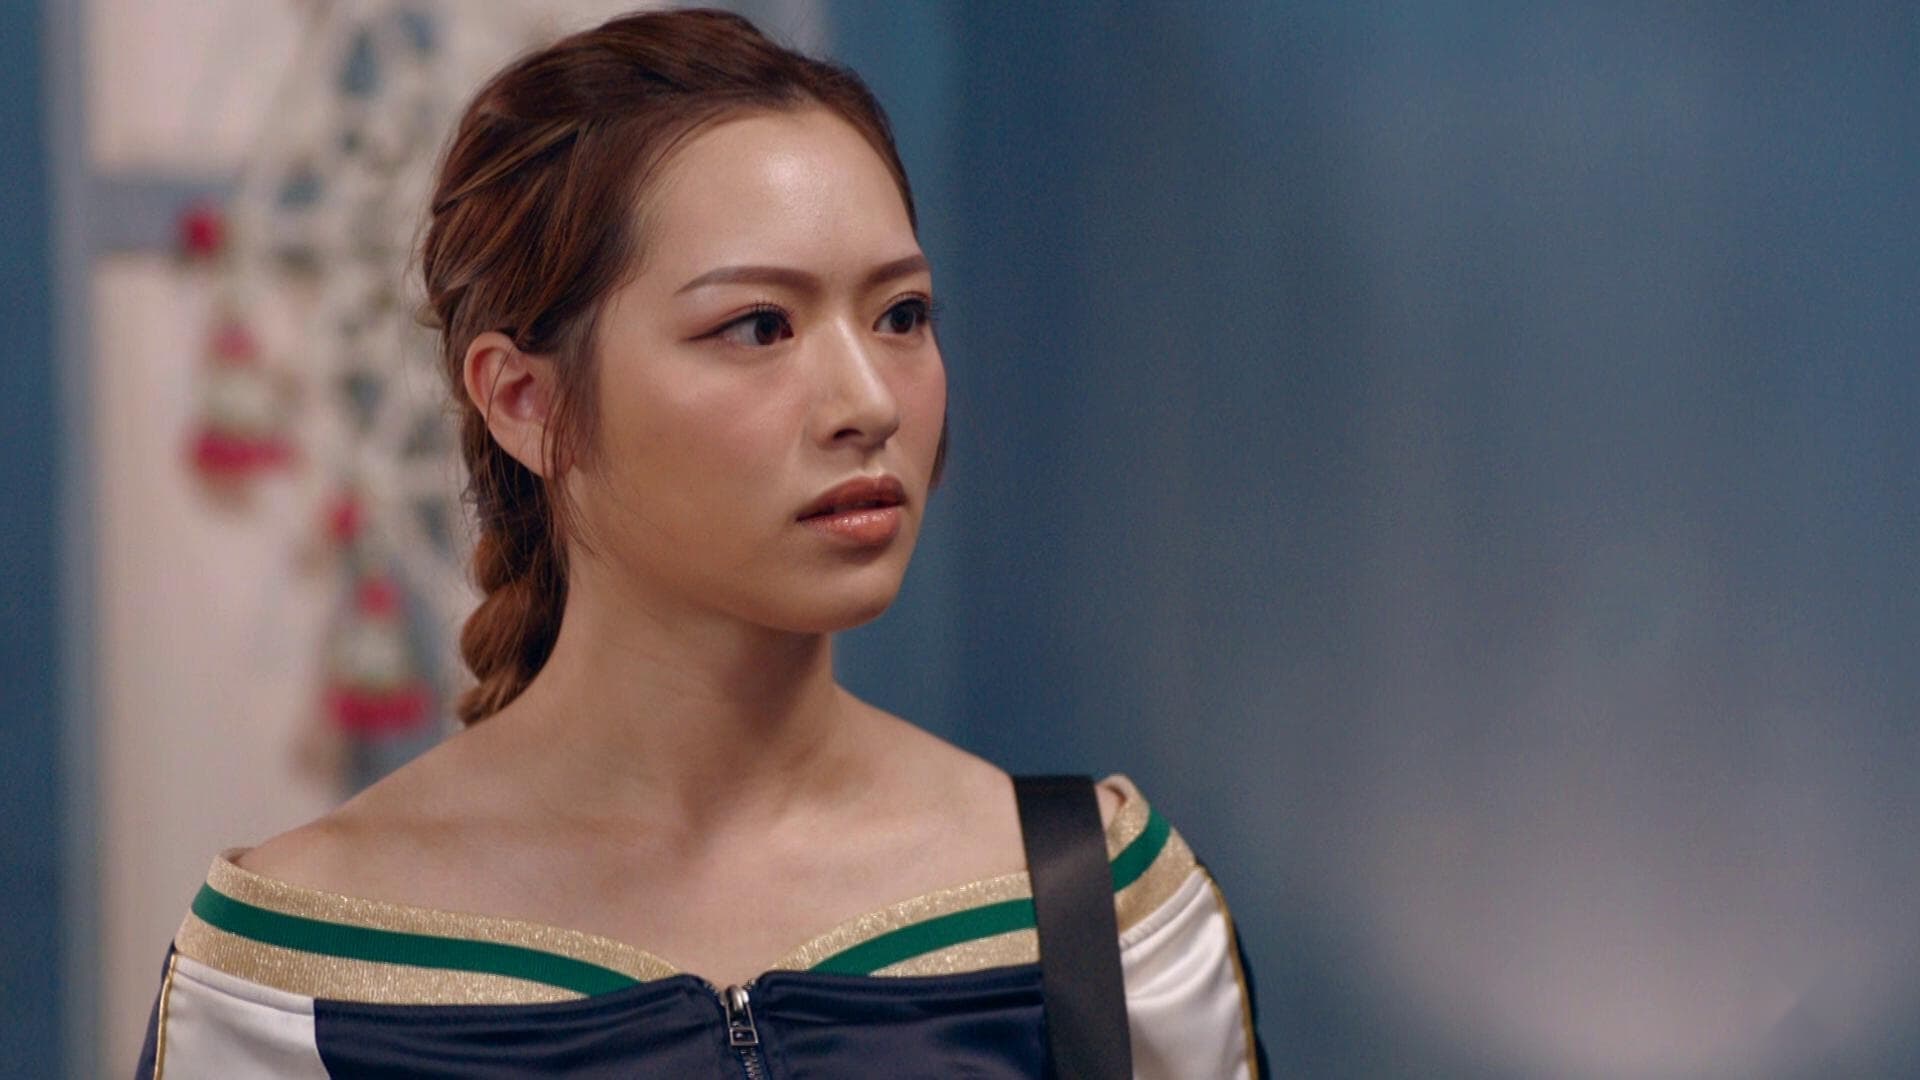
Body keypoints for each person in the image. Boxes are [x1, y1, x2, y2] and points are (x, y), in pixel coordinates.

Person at [136, 9, 1262, 1076]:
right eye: (758, 326)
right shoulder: (291, 976)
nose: (869, 402)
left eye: (901, 316)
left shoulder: (1103, 917)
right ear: (524, 399)